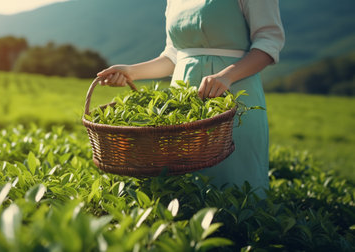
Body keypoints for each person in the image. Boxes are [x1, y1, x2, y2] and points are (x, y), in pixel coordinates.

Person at [96, 0, 285, 196]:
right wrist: (130, 72)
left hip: (234, 94)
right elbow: (174, 56)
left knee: (234, 186)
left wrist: (227, 76)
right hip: (182, 104)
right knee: (184, 187)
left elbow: (269, 42)